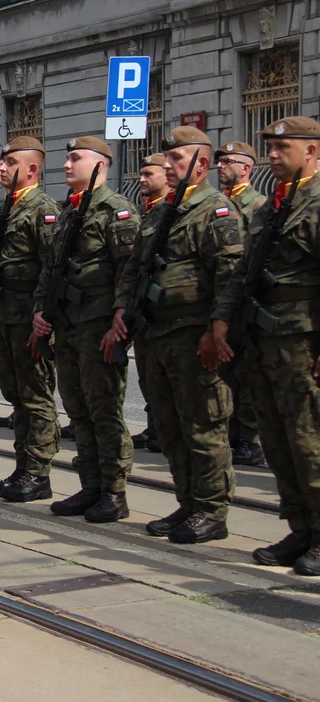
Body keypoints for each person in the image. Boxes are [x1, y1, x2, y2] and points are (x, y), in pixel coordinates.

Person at [105, 126, 243, 544]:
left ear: (200, 166)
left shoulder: (216, 211)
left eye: (176, 160)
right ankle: (188, 502)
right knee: (169, 426)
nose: (166, 166)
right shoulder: (161, 212)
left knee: (203, 425)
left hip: (192, 334)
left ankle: (212, 510)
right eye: (165, 160)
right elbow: (134, 267)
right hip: (154, 334)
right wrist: (120, 312)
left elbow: (230, 278)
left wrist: (216, 329)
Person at [208, 116, 320, 574]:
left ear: (312, 151)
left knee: (309, 440)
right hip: (263, 339)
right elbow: (243, 273)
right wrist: (221, 320)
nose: (272, 156)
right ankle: (301, 527)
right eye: (269, 148)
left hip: (303, 340)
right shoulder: (270, 207)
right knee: (276, 439)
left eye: (282, 148)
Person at [33, 137, 139, 523]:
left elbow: (130, 270)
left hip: (98, 326)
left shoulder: (117, 211)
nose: (66, 164)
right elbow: (50, 268)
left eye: (75, 158)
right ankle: (90, 484)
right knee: (77, 409)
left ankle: (114, 491)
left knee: (104, 409)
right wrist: (39, 312)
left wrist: (120, 318)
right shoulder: (68, 212)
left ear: (101, 165)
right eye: (67, 157)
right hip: (68, 326)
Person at [0, 137, 61, 503]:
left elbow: (51, 268)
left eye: (9, 162)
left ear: (32, 169)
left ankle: (38, 473)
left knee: (36, 396)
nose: (0, 168)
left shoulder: (43, 209)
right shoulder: (3, 207)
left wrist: (43, 314)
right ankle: (23, 467)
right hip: (2, 317)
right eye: (0, 161)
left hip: (27, 320)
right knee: (16, 397)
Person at [214, 141, 267, 467]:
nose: (220, 167)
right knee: (225, 374)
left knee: (246, 374)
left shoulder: (257, 205)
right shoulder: (220, 203)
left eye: (227, 162)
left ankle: (248, 439)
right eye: (218, 162)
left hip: (247, 303)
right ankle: (231, 435)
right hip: (224, 300)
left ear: (245, 168)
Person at [131, 154, 169, 454]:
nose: (142, 179)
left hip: (172, 314)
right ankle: (155, 425)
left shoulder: (169, 212)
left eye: (148, 173)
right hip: (144, 310)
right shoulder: (147, 212)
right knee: (147, 375)